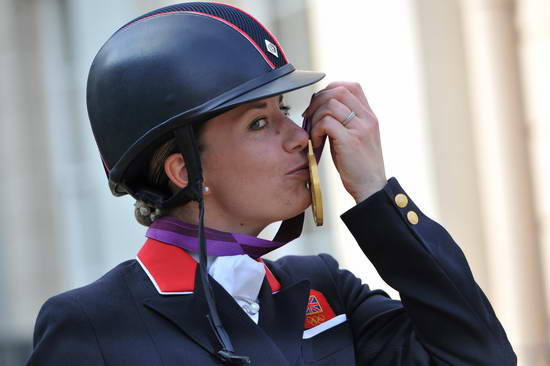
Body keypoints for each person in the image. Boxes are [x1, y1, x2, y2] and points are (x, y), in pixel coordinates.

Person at [27, 2, 516, 365]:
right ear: (185, 172)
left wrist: (376, 195)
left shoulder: (324, 289)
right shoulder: (93, 325)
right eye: (258, 123)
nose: (299, 136)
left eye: (282, 111)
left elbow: (480, 356)